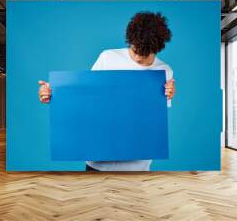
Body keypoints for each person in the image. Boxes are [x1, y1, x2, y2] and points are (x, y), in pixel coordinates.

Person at [38, 12, 175, 171]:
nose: (137, 58)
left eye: (144, 53)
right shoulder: (108, 57)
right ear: (130, 40)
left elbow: (154, 117)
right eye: (135, 50)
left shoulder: (164, 71)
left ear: (156, 48)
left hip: (138, 165)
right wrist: (53, 92)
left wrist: (168, 94)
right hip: (98, 162)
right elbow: (84, 97)